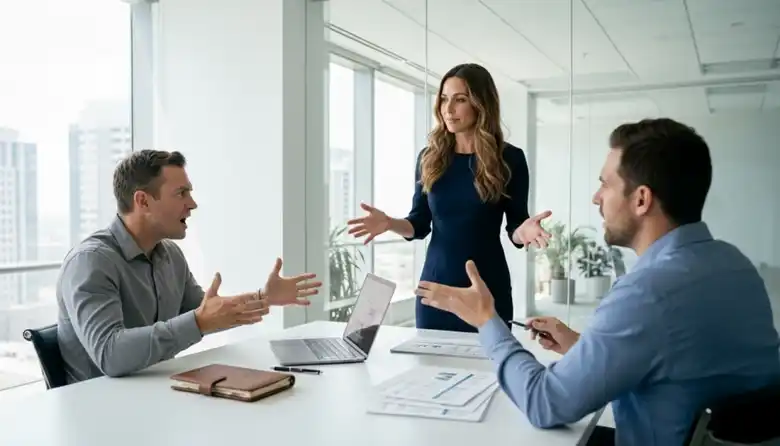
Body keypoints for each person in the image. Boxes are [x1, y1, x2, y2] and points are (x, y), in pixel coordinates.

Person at [415, 118, 780, 445]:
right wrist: (581, 345)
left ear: (641, 199)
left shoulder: (646, 293)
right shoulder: (736, 266)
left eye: (605, 184)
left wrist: (487, 321)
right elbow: (673, 357)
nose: (596, 197)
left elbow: (546, 404)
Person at [56, 150, 322, 384]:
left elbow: (206, 312)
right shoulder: (91, 261)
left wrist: (264, 298)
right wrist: (198, 322)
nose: (192, 203)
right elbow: (109, 354)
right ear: (143, 201)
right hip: (99, 413)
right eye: (181, 193)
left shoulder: (169, 255)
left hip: (155, 393)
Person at [346, 63, 551, 333]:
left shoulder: (509, 159)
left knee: (489, 370)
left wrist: (524, 230)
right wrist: (389, 223)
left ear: (481, 104)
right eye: (444, 99)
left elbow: (515, 226)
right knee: (430, 372)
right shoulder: (429, 158)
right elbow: (419, 223)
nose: (448, 108)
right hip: (436, 289)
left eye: (460, 100)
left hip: (486, 291)